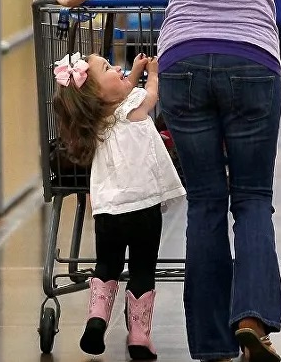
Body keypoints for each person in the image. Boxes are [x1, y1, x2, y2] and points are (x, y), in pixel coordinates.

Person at [50, 0, 281, 359]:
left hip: (182, 61)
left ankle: (210, 343)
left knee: (206, 201)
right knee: (253, 199)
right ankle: (252, 317)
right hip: (253, 56)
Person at [52, 52, 187, 360]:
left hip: (107, 210)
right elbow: (150, 94)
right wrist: (151, 74)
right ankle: (139, 337)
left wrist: (134, 69)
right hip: (144, 207)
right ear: (99, 93)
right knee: (142, 269)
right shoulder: (135, 104)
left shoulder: (93, 121)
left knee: (107, 265)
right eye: (108, 68)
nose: (117, 69)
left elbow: (119, 89)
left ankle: (96, 320)